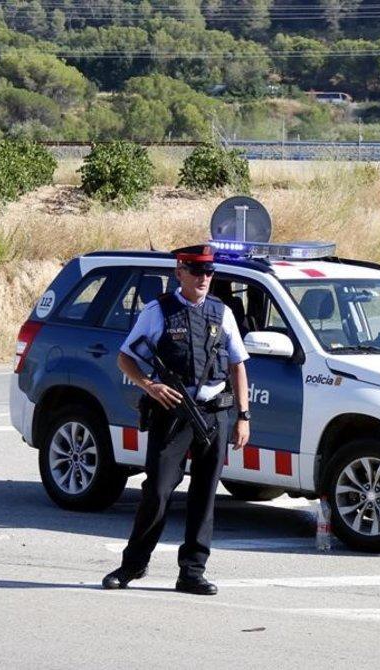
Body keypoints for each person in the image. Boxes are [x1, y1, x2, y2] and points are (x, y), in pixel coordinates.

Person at [102, 244, 251, 596]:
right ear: (179, 272)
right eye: (196, 271)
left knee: (205, 495)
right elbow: (126, 357)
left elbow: (237, 364)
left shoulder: (222, 312)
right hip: (173, 413)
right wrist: (149, 386)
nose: (204, 278)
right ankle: (133, 565)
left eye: (209, 272)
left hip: (214, 412)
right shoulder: (158, 312)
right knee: (157, 491)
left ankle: (192, 572)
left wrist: (243, 416)